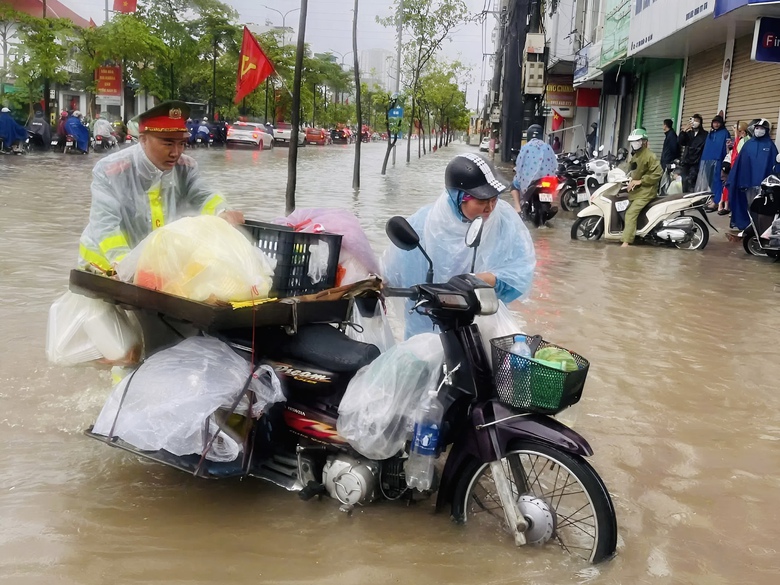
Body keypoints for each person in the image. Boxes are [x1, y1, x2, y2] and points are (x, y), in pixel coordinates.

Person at [77, 100, 244, 274]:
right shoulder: (110, 170)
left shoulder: (185, 167)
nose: (176, 152)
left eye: (182, 144)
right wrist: (126, 267)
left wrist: (222, 211)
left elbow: (203, 194)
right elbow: (105, 225)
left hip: (152, 267)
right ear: (143, 140)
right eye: (168, 143)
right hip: (103, 268)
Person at [382, 153, 536, 338]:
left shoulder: (504, 220)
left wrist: (479, 280)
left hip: (480, 321)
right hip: (425, 326)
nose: (490, 208)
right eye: (481, 202)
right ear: (459, 197)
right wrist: (378, 286)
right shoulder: (425, 223)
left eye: (494, 199)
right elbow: (394, 270)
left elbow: (520, 271)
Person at [725, 118, 778, 232]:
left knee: (760, 207)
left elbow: (774, 165)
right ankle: (749, 228)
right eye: (757, 128)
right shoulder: (748, 145)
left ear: (766, 130)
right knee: (748, 205)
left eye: (762, 128)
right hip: (747, 183)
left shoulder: (770, 146)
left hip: (763, 184)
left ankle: (759, 228)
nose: (759, 130)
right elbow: (740, 163)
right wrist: (734, 177)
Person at [621, 128, 662, 248]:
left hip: (646, 192)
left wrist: (640, 181)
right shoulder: (636, 155)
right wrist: (629, 181)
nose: (634, 143)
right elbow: (632, 171)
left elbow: (658, 173)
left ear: (643, 141)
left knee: (630, 213)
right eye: (632, 141)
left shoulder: (650, 156)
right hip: (637, 191)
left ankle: (626, 242)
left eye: (637, 141)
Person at [510, 124, 558, 213]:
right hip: (547, 179)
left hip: (531, 180)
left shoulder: (525, 147)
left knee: (514, 185)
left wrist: (517, 170)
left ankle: (517, 207)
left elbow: (520, 163)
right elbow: (555, 163)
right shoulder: (547, 146)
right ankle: (551, 204)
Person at [698, 115, 731, 211]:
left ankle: (716, 202)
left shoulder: (725, 133)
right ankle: (712, 199)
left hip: (718, 160)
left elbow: (727, 148)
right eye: (714, 122)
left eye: (718, 122)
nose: (716, 124)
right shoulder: (710, 133)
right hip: (707, 161)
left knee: (717, 181)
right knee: (710, 181)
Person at [719, 121, 749, 216]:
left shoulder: (746, 141)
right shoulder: (738, 140)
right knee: (727, 186)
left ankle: (731, 208)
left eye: (737, 130)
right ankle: (726, 205)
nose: (735, 132)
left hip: (738, 168)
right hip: (730, 165)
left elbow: (738, 154)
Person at [678, 114, 708, 192]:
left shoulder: (705, 134)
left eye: (697, 121)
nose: (695, 122)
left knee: (691, 182)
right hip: (686, 161)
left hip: (696, 162)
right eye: (694, 120)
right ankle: (683, 198)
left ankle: (691, 200)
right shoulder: (689, 133)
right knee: (684, 181)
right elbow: (680, 142)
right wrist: (684, 131)